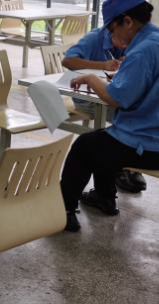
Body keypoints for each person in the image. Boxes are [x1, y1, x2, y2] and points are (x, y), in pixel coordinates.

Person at [60, 0, 159, 233]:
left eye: (113, 30)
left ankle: (64, 212)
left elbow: (116, 98)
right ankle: (103, 196)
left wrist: (91, 78)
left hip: (152, 148)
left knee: (84, 146)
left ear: (128, 21)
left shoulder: (143, 50)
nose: (114, 37)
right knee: (106, 138)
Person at [61, 25, 148, 194]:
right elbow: (68, 61)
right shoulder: (94, 38)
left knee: (136, 109)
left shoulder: (126, 40)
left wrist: (124, 61)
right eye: (121, 40)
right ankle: (124, 169)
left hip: (108, 92)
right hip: (87, 97)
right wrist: (103, 65)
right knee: (129, 115)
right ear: (112, 32)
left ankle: (127, 166)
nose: (124, 44)